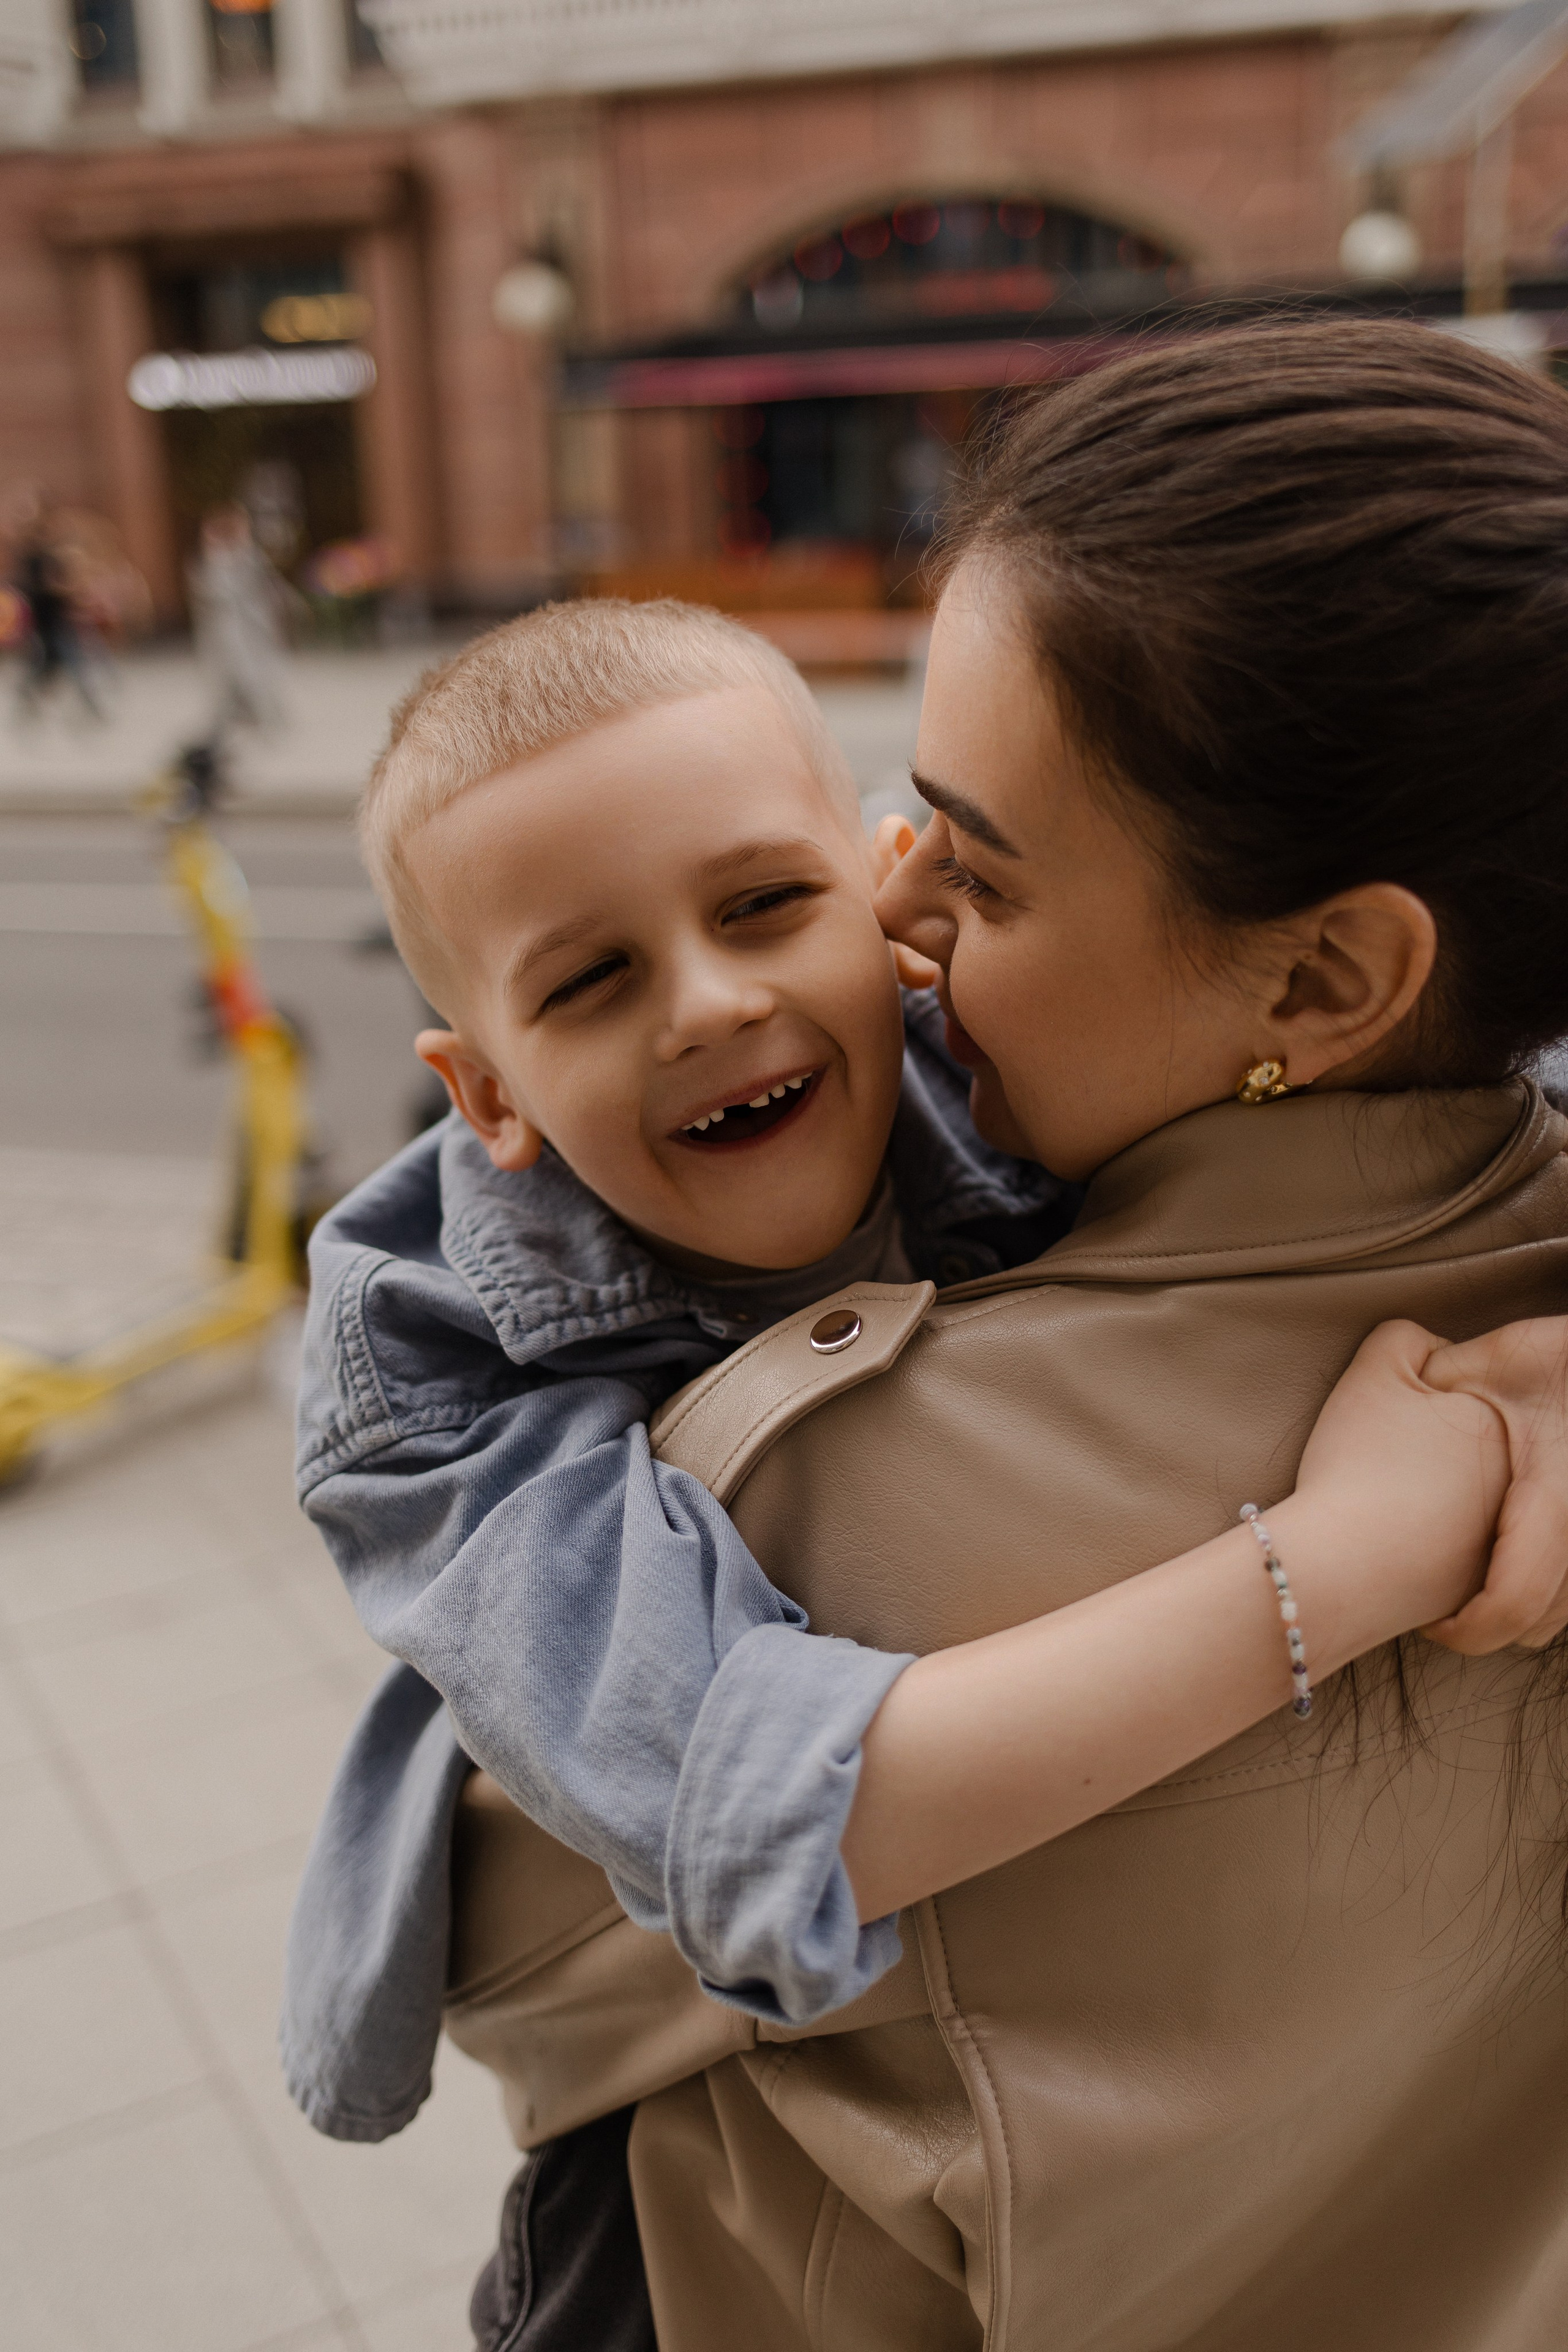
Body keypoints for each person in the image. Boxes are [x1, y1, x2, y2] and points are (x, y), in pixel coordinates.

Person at [443, 318, 1568, 2349]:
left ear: (1320, 981)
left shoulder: (827, 1507)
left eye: (991, 869)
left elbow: (493, 1962)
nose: (895, 922)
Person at [188, 503, 288, 733]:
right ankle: (236, 714)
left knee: (254, 671)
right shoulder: (215, 560)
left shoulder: (247, 557)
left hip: (250, 626)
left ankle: (262, 714)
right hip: (224, 627)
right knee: (228, 672)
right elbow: (206, 591)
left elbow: (266, 589)